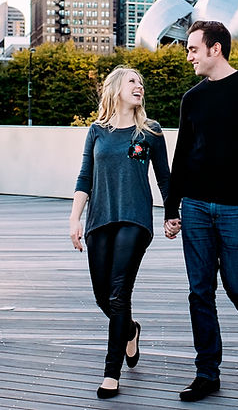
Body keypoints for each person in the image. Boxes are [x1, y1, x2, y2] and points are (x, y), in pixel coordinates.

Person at [163, 20, 238, 402]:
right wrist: (171, 207)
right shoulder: (192, 99)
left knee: (237, 283)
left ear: (216, 49)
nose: (189, 56)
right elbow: (181, 156)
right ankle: (207, 373)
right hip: (196, 206)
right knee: (200, 291)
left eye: (193, 49)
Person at [69, 67, 170, 399]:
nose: (139, 86)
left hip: (135, 219)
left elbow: (165, 180)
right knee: (103, 296)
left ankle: (111, 373)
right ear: (115, 89)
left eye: (141, 83)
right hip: (100, 220)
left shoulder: (151, 132)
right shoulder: (97, 131)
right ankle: (130, 331)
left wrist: (172, 214)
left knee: (117, 294)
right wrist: (75, 219)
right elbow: (85, 177)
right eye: (132, 82)